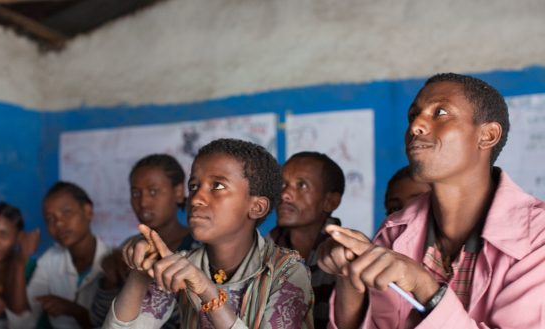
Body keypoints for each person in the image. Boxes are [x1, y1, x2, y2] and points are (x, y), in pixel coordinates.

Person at [318, 72, 545, 328]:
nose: (416, 126)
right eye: (413, 115)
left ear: (487, 135)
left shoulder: (537, 237)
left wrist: (424, 286)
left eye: (440, 113)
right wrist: (350, 273)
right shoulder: (395, 231)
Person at [103, 138, 314, 328]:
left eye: (218, 186)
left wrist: (207, 291)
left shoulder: (286, 271)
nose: (196, 199)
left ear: (256, 207)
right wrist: (141, 271)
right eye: (193, 186)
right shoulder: (181, 267)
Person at [91, 154, 199, 327]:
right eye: (135, 193)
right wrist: (109, 282)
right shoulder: (130, 248)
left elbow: (199, 318)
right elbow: (99, 321)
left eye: (153, 191)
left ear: (178, 192)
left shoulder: (199, 247)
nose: (143, 202)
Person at [7, 181, 110, 328]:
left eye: (66, 212)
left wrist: (75, 311)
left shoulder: (111, 264)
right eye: (50, 219)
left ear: (88, 211)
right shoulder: (50, 260)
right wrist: (20, 260)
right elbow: (22, 322)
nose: (59, 223)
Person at [268, 151, 344, 328]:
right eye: (282, 185)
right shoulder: (262, 250)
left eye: (301, 185)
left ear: (330, 202)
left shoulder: (346, 255)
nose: (285, 194)